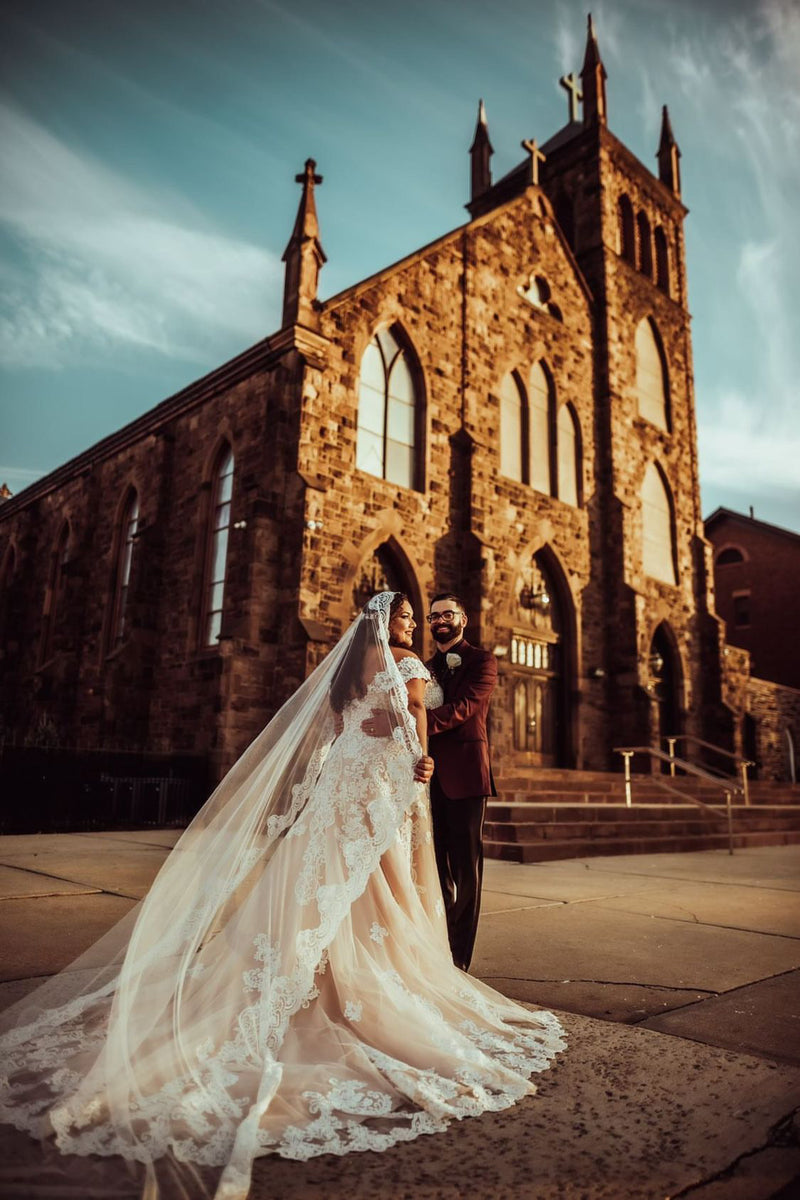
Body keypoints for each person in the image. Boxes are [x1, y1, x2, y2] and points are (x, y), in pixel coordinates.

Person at [0, 593, 564, 1200]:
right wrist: (416, 761)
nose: (415, 624)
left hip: (347, 779)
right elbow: (412, 727)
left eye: (421, 617)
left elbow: (347, 724)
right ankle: (384, 974)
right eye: (407, 616)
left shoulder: (351, 668)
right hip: (376, 782)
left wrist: (385, 746)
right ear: (389, 623)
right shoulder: (409, 664)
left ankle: (335, 963)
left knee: (332, 879)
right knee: (379, 880)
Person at [362, 592, 497, 972]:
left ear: (463, 619)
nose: (439, 620)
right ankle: (433, 948)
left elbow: (464, 708)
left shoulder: (482, 661)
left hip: (466, 775)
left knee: (465, 872)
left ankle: (458, 961)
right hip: (420, 776)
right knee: (429, 868)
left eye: (447, 614)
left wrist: (402, 727)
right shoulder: (420, 662)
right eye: (433, 615)